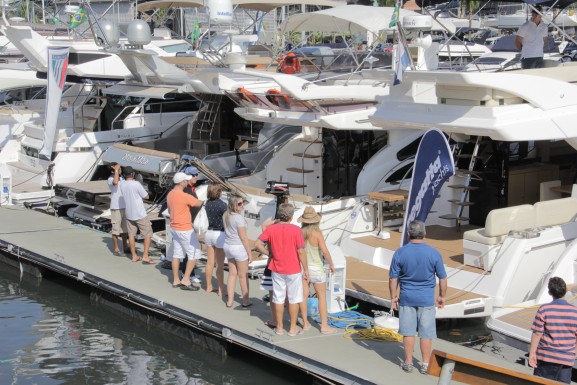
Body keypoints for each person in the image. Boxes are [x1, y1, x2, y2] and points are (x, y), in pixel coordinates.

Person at [389, 220, 447, 374]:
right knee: (425, 333)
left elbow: (393, 278)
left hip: (407, 298)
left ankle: (408, 362)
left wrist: (393, 297)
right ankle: (425, 364)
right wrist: (442, 296)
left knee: (408, 332)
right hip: (426, 299)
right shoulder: (434, 253)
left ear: (408, 234)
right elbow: (442, 278)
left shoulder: (400, 252)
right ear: (424, 234)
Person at [254, 203, 309, 336]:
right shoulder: (296, 230)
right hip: (293, 269)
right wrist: (306, 269)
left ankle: (279, 328)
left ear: (280, 215)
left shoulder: (272, 229)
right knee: (293, 299)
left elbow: (257, 243)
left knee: (278, 298)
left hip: (277, 268)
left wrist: (268, 253)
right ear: (291, 216)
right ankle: (292, 328)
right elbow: (301, 252)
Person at [529, 277, 577, 384]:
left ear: (549, 292)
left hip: (546, 358)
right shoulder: (575, 312)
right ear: (565, 290)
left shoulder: (544, 309)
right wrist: (573, 353)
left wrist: (532, 354)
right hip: (566, 360)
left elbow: (537, 333)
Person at [298, 206, 336, 334]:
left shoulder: (299, 233)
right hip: (317, 268)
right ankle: (324, 326)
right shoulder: (317, 234)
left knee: (304, 295)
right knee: (321, 297)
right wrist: (331, 264)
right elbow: (325, 252)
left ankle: (305, 323)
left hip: (303, 268)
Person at [166, 172, 204, 291]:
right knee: (194, 253)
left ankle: (176, 280)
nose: (188, 182)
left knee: (177, 254)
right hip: (185, 228)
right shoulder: (184, 196)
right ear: (182, 182)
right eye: (186, 181)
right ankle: (186, 279)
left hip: (174, 228)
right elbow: (199, 203)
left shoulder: (170, 194)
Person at [119, 166, 155, 264]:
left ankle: (134, 256)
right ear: (133, 174)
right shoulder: (136, 184)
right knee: (148, 234)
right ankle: (145, 256)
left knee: (131, 235)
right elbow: (146, 196)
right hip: (139, 214)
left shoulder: (122, 184)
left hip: (129, 214)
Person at [223, 193, 252, 308]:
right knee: (243, 275)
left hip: (228, 246)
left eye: (243, 203)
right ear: (234, 205)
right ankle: (245, 300)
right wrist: (249, 253)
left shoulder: (226, 215)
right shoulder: (238, 218)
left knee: (232, 274)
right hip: (238, 247)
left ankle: (230, 301)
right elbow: (243, 238)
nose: (242, 206)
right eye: (240, 204)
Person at [204, 182, 227, 296]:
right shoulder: (223, 205)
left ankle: (208, 286)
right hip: (220, 234)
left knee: (209, 262)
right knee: (219, 264)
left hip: (209, 232)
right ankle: (221, 289)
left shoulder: (207, 203)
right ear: (219, 191)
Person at [183, 166, 202, 284]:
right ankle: (189, 275)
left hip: (190, 223)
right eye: (194, 175)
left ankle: (186, 272)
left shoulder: (190, 188)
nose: (196, 177)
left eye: (196, 175)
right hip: (188, 224)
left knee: (187, 251)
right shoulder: (187, 190)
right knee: (192, 250)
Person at [107, 162, 129, 256]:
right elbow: (115, 183)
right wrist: (116, 170)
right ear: (113, 170)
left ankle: (125, 246)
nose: (120, 170)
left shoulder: (122, 178)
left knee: (125, 229)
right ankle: (116, 249)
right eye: (118, 169)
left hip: (124, 206)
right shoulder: (111, 179)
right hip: (116, 207)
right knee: (116, 229)